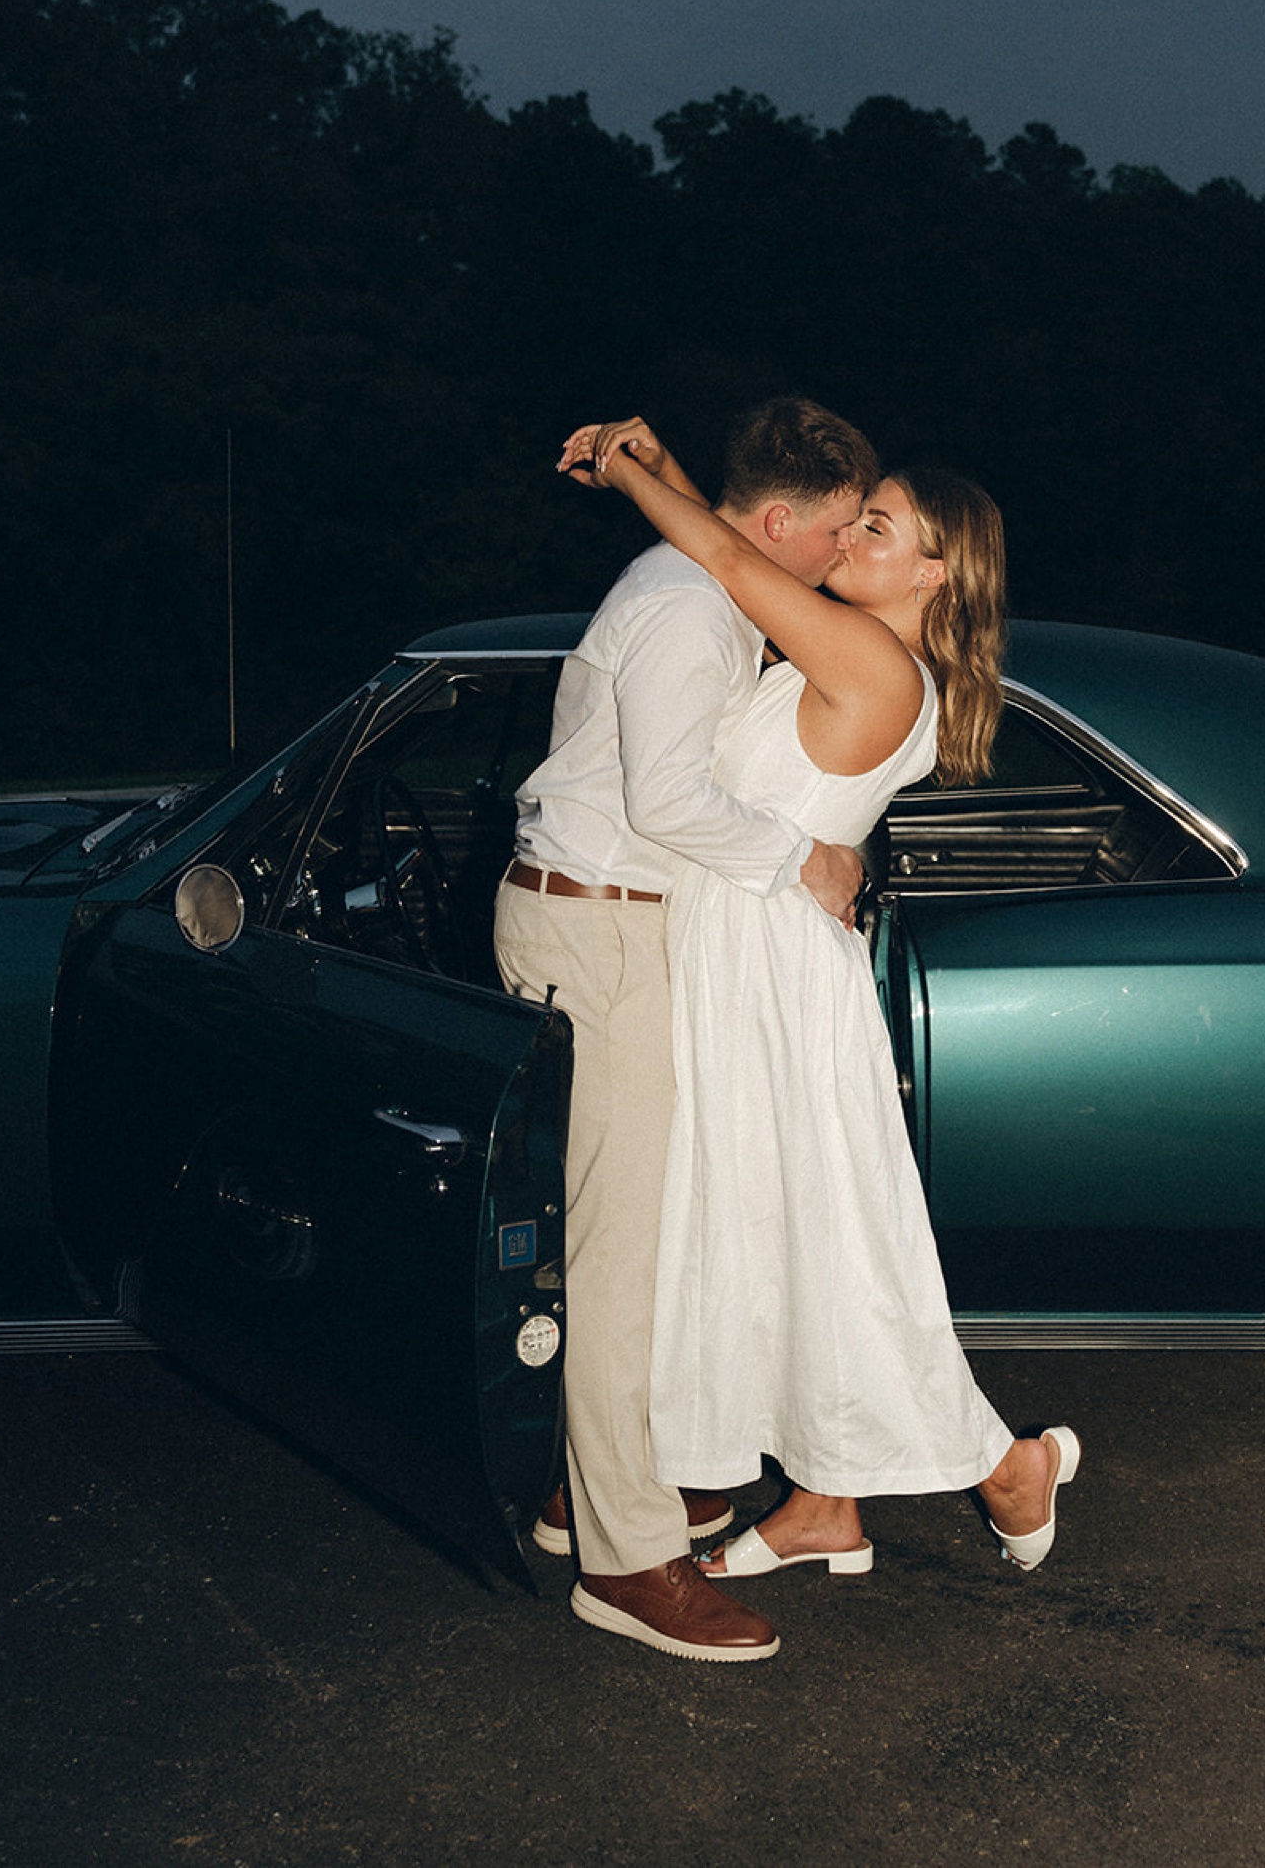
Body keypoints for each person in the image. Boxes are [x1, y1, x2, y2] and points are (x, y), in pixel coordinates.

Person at [566, 417, 1079, 1593]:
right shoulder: (850, 647)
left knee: (831, 1241)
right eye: (853, 515)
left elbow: (742, 563)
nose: (850, 532)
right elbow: (750, 550)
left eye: (877, 525)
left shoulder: (872, 663)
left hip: (769, 974)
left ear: (934, 571)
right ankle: (823, 1502)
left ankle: (1003, 1463)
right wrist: (683, 480)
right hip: (751, 953)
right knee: (782, 1232)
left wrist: (633, 472)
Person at [493, 396, 880, 1663]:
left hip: (625, 929)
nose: (833, 562)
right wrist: (802, 859)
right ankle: (625, 1559)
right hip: (598, 931)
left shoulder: (706, 586)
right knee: (617, 1256)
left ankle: (593, 1490)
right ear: (775, 522)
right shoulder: (683, 609)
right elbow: (665, 799)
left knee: (651, 1236)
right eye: (828, 539)